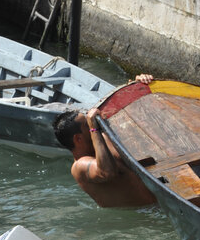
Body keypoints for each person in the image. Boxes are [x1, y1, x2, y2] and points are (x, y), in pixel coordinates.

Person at [53, 74, 157, 208]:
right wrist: (94, 129)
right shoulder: (80, 167)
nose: (94, 124)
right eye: (88, 125)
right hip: (143, 216)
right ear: (78, 138)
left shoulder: (102, 140)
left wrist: (136, 85)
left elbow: (126, 117)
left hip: (159, 205)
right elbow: (107, 172)